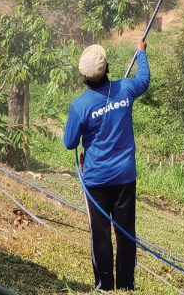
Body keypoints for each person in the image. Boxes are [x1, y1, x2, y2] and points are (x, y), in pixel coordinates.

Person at [63, 39, 150, 292]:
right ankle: (126, 285)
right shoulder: (125, 89)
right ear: (107, 67)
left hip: (96, 181)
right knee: (125, 234)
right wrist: (141, 53)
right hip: (125, 178)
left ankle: (104, 286)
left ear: (84, 77)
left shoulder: (80, 106)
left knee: (100, 235)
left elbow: (70, 143)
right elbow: (143, 79)